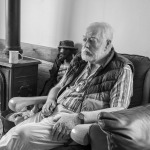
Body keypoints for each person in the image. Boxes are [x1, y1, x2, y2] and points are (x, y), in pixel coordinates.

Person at [0, 22, 133, 150]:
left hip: (71, 120)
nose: (85, 45)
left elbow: (119, 109)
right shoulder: (80, 60)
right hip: (53, 110)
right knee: (13, 132)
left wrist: (78, 118)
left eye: (92, 40)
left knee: (20, 135)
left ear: (107, 43)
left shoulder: (121, 69)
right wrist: (50, 99)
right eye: (84, 39)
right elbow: (59, 86)